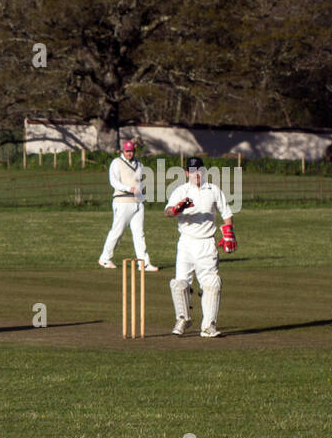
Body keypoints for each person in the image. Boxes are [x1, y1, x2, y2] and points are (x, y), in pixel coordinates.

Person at [165, 156, 236, 337]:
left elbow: (226, 213)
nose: (196, 174)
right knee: (180, 284)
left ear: (203, 171)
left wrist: (228, 233)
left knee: (212, 283)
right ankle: (183, 319)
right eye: (192, 171)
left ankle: (208, 326)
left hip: (207, 243)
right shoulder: (181, 191)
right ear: (187, 173)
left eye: (199, 170)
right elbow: (167, 212)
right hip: (186, 242)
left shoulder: (213, 190)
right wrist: (177, 209)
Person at [99, 139, 158, 271]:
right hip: (122, 201)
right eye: (127, 151)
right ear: (123, 151)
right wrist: (127, 188)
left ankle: (144, 263)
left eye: (131, 151)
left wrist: (142, 195)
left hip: (137, 202)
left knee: (139, 233)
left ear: (134, 151)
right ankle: (105, 258)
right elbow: (113, 181)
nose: (129, 153)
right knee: (117, 231)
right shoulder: (116, 163)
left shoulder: (139, 164)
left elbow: (140, 182)